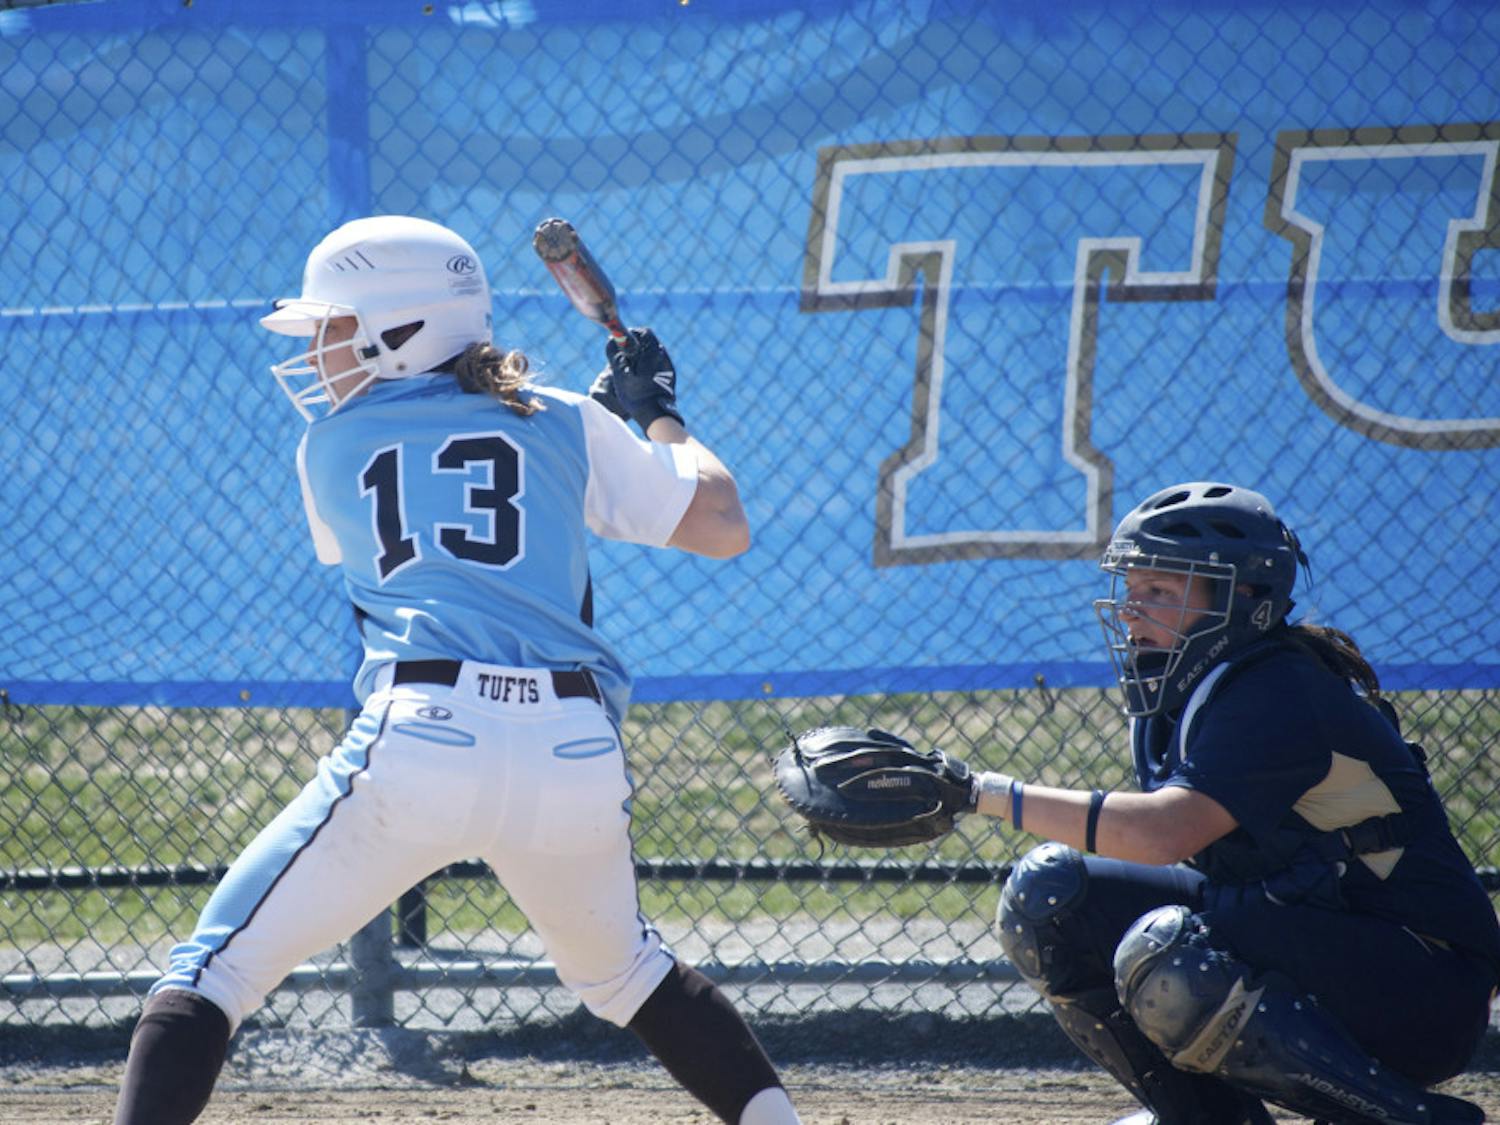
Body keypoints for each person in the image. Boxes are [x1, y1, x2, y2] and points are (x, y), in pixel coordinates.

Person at [112, 215, 801, 1125]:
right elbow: (722, 522)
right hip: (573, 754)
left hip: (423, 740)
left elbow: (442, 484)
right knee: (629, 974)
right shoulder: (563, 418)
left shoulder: (330, 448)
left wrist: (580, 426)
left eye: (333, 328)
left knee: (212, 971)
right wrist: (649, 411)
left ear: (399, 330)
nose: (318, 352)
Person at [969, 481, 1500, 1124]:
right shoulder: (1186, 695)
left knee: (1174, 952)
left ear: (1242, 598)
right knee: (1053, 897)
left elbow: (1165, 834)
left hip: (1420, 983)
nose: (1133, 612)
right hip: (1315, 931)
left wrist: (979, 793)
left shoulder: (1279, 691)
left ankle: (1403, 1118)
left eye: (1161, 592)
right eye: (1133, 591)